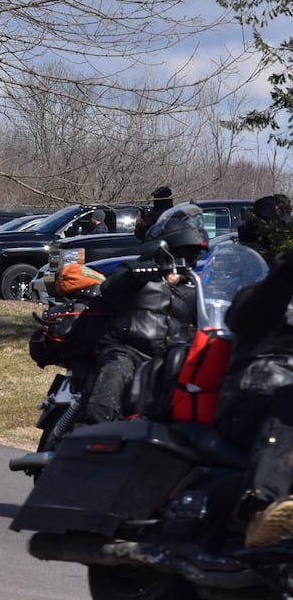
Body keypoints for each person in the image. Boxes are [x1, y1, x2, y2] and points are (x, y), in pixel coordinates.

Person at [211, 195, 293, 546]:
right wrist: (285, 275)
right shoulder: (257, 295)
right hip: (250, 396)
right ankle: (260, 506)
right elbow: (247, 314)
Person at [75, 204, 204, 426]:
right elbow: (110, 289)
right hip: (128, 350)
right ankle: (88, 441)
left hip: (170, 359)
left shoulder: (193, 287)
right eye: (183, 253)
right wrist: (137, 275)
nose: (187, 260)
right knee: (104, 404)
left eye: (192, 254)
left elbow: (208, 323)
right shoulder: (135, 272)